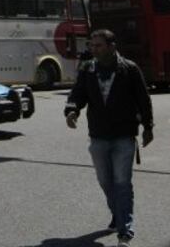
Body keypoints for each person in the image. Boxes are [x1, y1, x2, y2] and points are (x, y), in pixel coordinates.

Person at [65, 29, 153, 247]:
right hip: (98, 136)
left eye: (98, 46)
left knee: (122, 183)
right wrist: (72, 111)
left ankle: (125, 229)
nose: (93, 50)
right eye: (91, 46)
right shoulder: (88, 69)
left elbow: (143, 98)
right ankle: (118, 214)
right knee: (105, 181)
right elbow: (77, 94)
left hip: (124, 135)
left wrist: (148, 127)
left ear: (112, 47)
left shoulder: (129, 69)